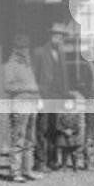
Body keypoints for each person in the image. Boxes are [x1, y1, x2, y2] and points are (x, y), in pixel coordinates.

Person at [31, 22, 72, 170]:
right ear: (51, 36)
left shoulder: (61, 54)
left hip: (57, 97)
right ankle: (40, 162)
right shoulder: (39, 52)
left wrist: (66, 96)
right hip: (44, 96)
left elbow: (65, 77)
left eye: (61, 36)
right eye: (57, 35)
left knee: (55, 129)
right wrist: (38, 98)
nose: (59, 38)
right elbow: (34, 77)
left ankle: (52, 160)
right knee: (42, 130)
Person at [3, 34, 40, 182]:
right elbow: (7, 86)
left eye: (27, 47)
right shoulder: (11, 64)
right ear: (16, 48)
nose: (25, 50)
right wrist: (28, 87)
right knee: (18, 139)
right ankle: (15, 171)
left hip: (32, 104)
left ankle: (27, 170)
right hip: (20, 105)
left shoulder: (28, 64)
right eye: (22, 47)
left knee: (30, 140)